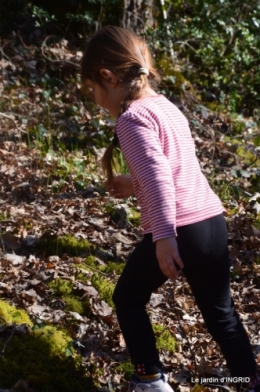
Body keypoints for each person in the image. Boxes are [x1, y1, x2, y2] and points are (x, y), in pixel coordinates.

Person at [81, 25, 259, 392]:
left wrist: (163, 237)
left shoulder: (131, 119)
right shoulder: (165, 106)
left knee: (127, 300)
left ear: (108, 77)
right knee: (221, 315)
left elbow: (162, 180)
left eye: (93, 90)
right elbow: (174, 167)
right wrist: (133, 184)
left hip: (181, 228)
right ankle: (251, 380)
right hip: (211, 222)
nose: (96, 99)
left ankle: (150, 380)